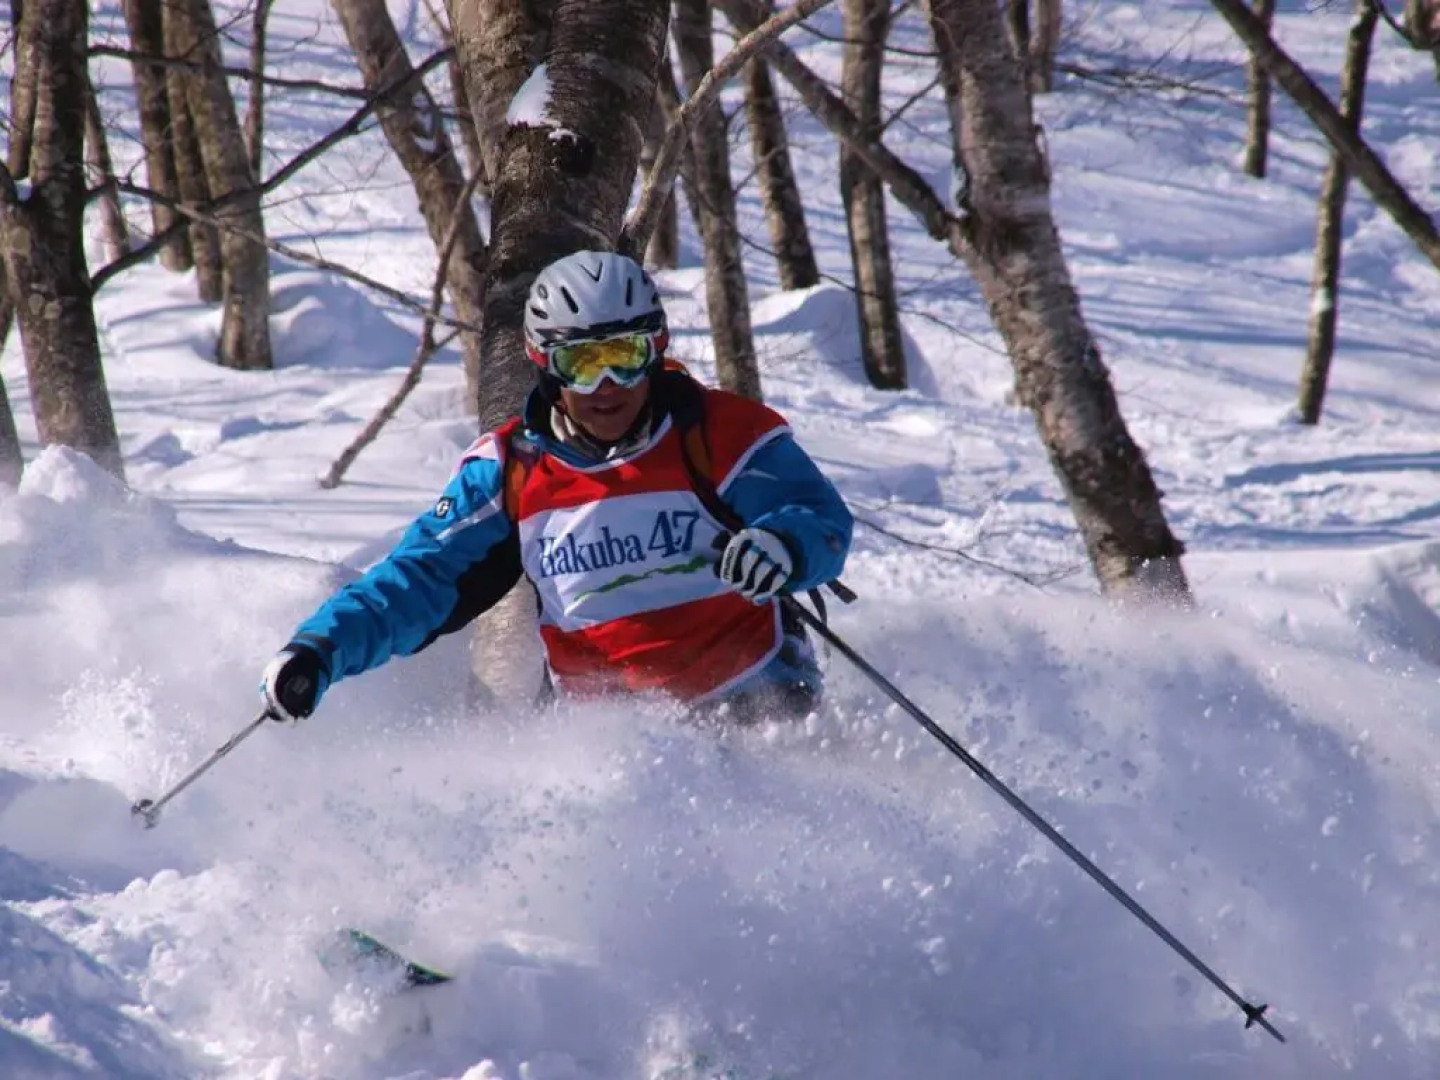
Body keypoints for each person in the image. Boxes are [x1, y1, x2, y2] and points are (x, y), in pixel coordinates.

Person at [261, 250, 853, 725]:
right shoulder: (508, 470)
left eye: (624, 355)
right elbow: (419, 578)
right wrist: (321, 649)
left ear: (656, 349)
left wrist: (784, 545)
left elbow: (817, 517)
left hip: (754, 699)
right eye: (581, 362)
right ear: (543, 362)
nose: (606, 384)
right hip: (613, 738)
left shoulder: (720, 432)